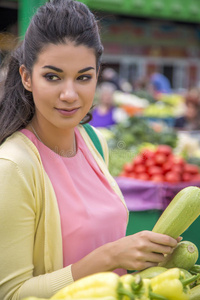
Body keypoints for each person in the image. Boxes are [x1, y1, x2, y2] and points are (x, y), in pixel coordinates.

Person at [0, 0, 180, 299]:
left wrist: (141, 253)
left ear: (97, 75)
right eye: (52, 76)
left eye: (83, 77)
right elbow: (12, 293)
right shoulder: (13, 167)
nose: (70, 94)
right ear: (26, 77)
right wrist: (109, 257)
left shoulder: (94, 141)